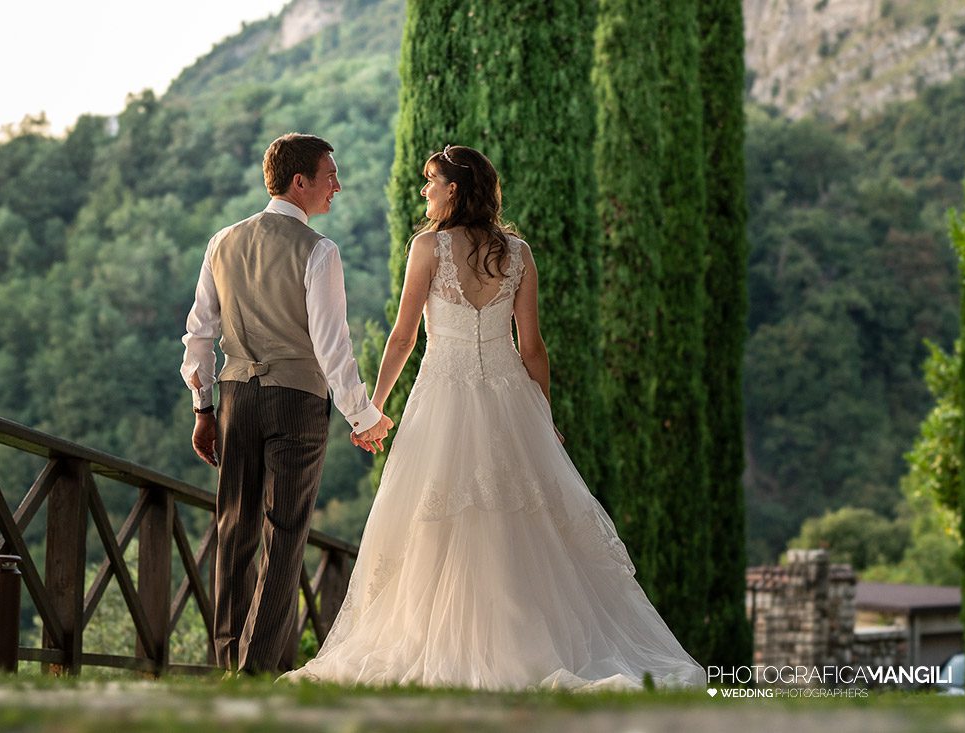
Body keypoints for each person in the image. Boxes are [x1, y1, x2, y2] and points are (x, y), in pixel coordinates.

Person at [281, 145, 706, 691]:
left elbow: (405, 335)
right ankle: (522, 645)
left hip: (443, 398)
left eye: (431, 182)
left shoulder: (428, 248)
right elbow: (533, 349)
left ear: (454, 189)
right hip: (512, 401)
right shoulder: (519, 252)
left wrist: (374, 408)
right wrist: (542, 416)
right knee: (517, 524)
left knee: (438, 524)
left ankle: (456, 649)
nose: (424, 192)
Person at [180, 132, 393, 675]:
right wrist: (362, 416)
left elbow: (199, 335)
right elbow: (331, 344)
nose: (337, 187)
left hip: (235, 398)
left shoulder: (221, 241)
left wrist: (204, 409)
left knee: (234, 528)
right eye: (330, 177)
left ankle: (229, 664)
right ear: (301, 182)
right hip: (296, 401)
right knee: (284, 535)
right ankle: (252, 674)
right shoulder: (319, 250)